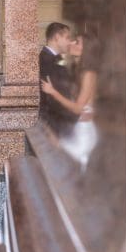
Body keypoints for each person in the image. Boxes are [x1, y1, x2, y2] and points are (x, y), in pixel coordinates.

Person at [41, 33, 98, 168]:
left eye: (77, 42)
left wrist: (53, 92)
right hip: (74, 127)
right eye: (72, 40)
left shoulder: (88, 74)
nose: (71, 43)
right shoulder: (76, 70)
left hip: (83, 132)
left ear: (86, 49)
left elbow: (78, 108)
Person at [38, 22, 78, 138]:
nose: (69, 42)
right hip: (56, 122)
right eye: (67, 38)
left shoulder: (52, 58)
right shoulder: (47, 60)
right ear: (57, 37)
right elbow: (56, 94)